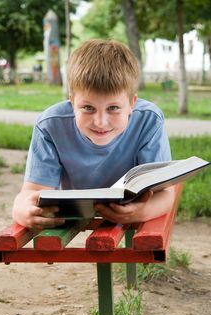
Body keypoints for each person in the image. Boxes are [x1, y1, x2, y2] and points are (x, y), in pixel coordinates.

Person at [12, 39, 174, 231]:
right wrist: (21, 210)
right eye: (88, 108)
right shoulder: (49, 125)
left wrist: (140, 213)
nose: (100, 122)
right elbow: (32, 193)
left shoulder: (149, 120)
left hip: (131, 204)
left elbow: (164, 193)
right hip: (74, 209)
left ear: (132, 103)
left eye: (113, 108)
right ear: (72, 102)